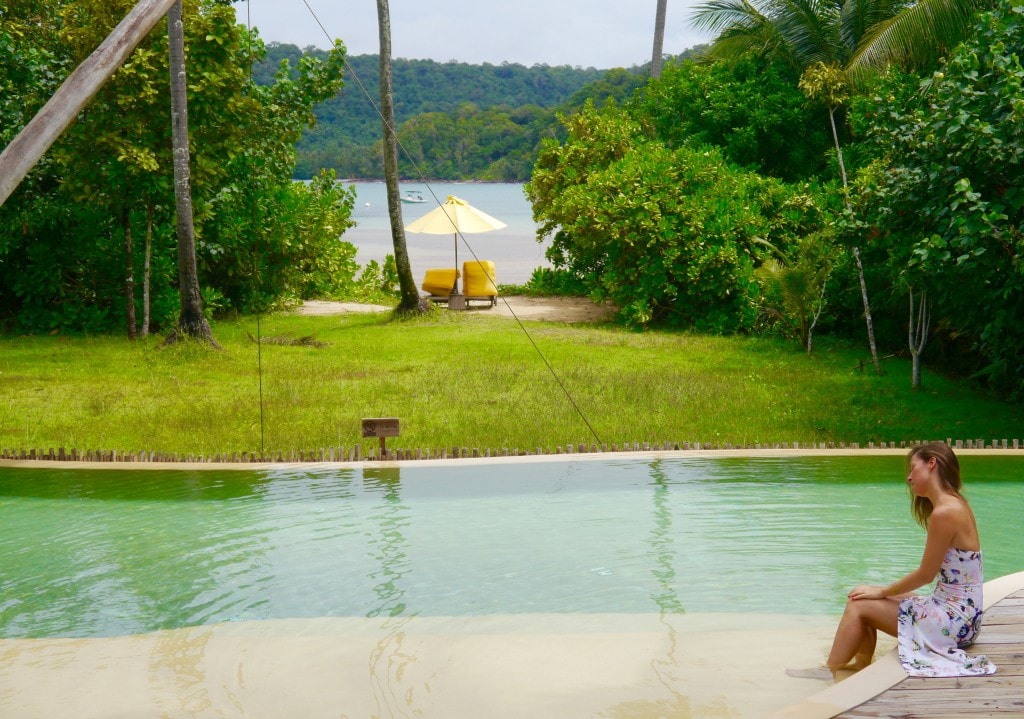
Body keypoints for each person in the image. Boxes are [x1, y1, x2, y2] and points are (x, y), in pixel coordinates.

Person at [793, 442, 997, 680]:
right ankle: (859, 665)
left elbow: (925, 575)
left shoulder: (945, 512)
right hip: (963, 617)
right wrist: (879, 593)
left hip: (954, 624)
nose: (909, 478)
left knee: (859, 605)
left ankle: (829, 671)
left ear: (932, 463)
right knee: (859, 594)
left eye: (913, 468)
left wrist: (881, 592)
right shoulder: (955, 503)